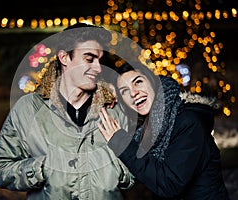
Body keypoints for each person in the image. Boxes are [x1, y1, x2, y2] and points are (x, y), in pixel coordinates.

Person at [0, 23, 135, 200]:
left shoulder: (114, 109)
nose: (98, 68)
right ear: (64, 57)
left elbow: (135, 168)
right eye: (89, 59)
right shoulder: (27, 109)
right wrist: (42, 168)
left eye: (99, 60)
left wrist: (113, 169)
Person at [98, 60, 230, 199]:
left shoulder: (187, 121)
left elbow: (169, 183)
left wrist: (122, 143)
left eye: (138, 82)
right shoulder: (145, 129)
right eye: (124, 90)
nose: (133, 93)